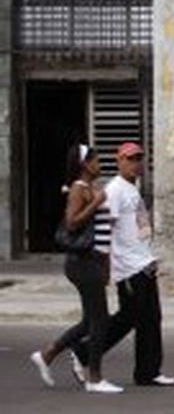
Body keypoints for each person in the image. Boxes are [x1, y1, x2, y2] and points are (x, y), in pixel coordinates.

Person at [79, 142, 174, 387]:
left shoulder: (132, 188)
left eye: (139, 159)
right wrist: (106, 266)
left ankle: (148, 372)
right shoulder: (115, 190)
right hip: (128, 268)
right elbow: (105, 228)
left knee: (151, 319)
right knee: (127, 318)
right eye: (130, 159)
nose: (136, 163)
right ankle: (83, 352)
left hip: (143, 263)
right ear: (119, 160)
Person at [28, 143, 120, 393]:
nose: (99, 164)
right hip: (82, 263)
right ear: (85, 165)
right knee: (100, 321)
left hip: (92, 262)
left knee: (90, 320)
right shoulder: (79, 190)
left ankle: (48, 353)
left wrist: (106, 263)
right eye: (96, 160)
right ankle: (95, 378)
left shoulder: (90, 188)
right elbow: (71, 223)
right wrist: (96, 203)